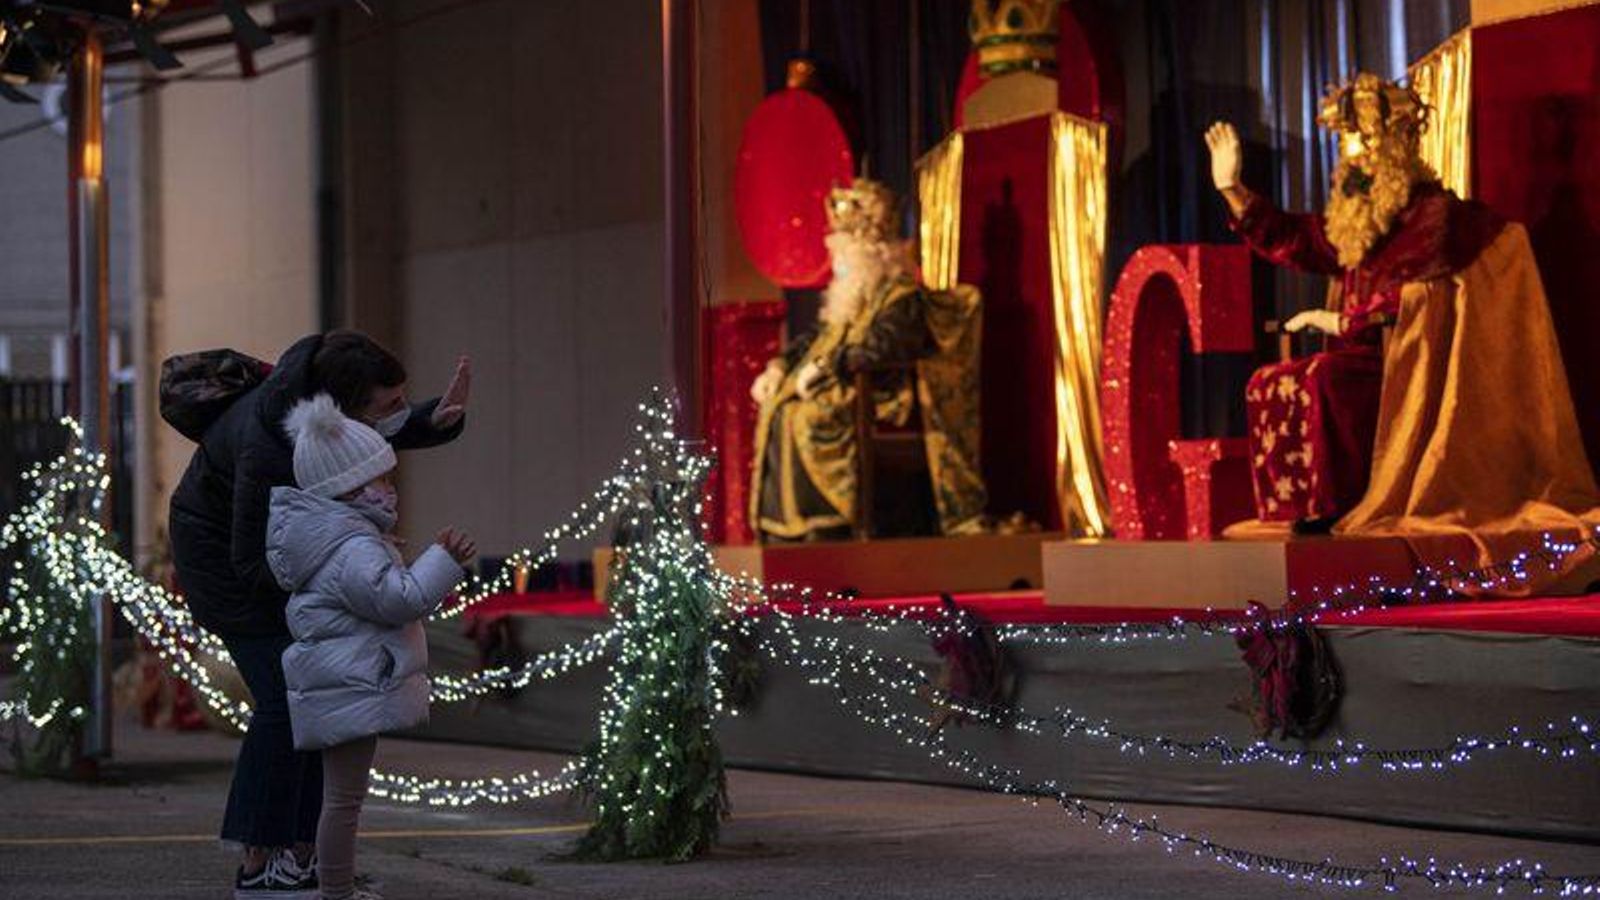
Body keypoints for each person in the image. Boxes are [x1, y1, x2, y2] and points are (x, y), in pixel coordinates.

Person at [1206, 74, 1598, 573]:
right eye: (1346, 140)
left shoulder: (1433, 214)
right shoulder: (1360, 218)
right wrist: (1234, 190)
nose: (1351, 152)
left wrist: (1343, 319)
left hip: (1405, 363)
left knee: (1326, 377)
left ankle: (1343, 505)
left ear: (1391, 146)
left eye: (1361, 138)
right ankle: (1309, 505)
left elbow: (1419, 293)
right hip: (1361, 350)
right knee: (1273, 379)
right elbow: (1304, 241)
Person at [166, 331, 469, 898]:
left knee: (317, 701)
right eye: (390, 405)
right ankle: (261, 862)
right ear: (345, 408)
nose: (398, 414)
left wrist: (435, 420)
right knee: (288, 702)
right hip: (228, 573)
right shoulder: (271, 444)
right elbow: (250, 558)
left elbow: (371, 439)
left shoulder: (317, 410)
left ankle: (297, 858)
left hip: (284, 561)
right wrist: (338, 567)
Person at [268, 394, 475, 900]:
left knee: (341, 799)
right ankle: (335, 891)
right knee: (343, 801)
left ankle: (334, 888)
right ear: (350, 488)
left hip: (344, 680)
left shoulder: (338, 540)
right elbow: (398, 600)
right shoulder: (352, 547)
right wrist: (443, 562)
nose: (391, 490)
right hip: (351, 683)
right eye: (381, 480)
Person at [748, 176, 987, 541]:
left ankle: (829, 523)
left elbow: (887, 347)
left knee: (807, 418)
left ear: (869, 253)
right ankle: (786, 530)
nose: (836, 263)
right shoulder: (849, 300)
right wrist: (779, 366)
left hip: (878, 395)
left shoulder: (900, 296)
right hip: (843, 386)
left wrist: (831, 365)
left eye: (843, 255)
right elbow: (816, 339)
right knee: (779, 408)